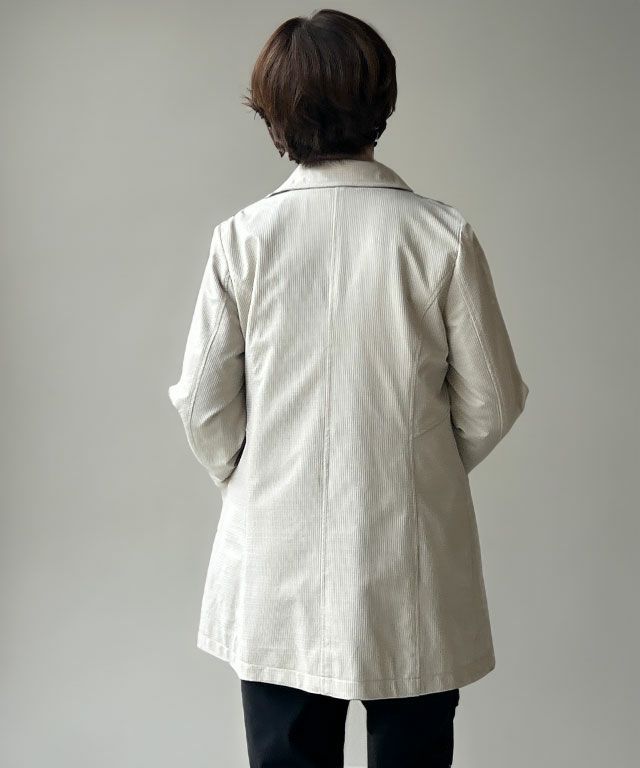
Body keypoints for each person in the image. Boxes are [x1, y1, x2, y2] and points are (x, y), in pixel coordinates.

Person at [168, 8, 529, 768]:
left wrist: (255, 474)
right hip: (410, 552)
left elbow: (203, 405)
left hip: (277, 555)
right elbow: (493, 401)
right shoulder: (440, 236)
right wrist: (417, 467)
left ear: (273, 113)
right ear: (382, 100)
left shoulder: (243, 240)